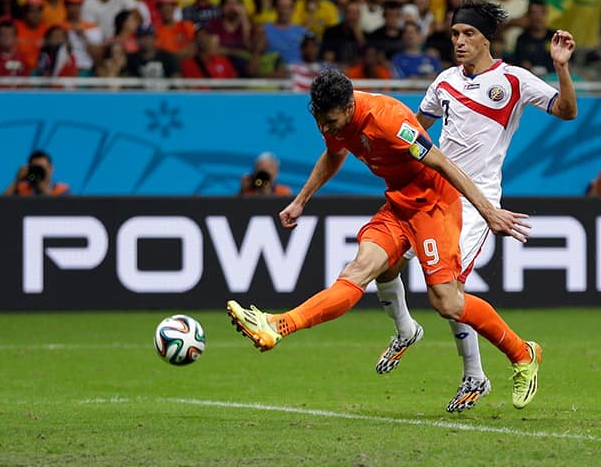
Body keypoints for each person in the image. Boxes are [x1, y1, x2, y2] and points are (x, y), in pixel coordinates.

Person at [227, 68, 544, 411]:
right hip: (398, 204)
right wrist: (301, 199)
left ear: (349, 107)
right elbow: (334, 155)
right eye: (319, 121)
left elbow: (442, 163)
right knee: (360, 270)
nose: (325, 128)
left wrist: (487, 211)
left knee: (448, 303)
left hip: (433, 206)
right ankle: (278, 324)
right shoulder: (333, 120)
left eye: (330, 120)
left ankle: (523, 353)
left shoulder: (389, 120)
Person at [369, 0, 577, 411]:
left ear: (487, 39)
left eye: (467, 35)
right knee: (384, 263)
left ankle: (479, 374)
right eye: (454, 35)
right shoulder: (443, 81)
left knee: (448, 296)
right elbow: (413, 132)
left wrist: (562, 66)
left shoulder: (514, 80)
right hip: (430, 192)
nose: (459, 42)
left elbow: (567, 112)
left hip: (473, 202)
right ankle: (405, 329)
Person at [3, 150, 70, 196]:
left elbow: (61, 211)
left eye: (41, 168)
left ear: (51, 169)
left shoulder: (62, 189)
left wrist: (43, 189)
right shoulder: (22, 188)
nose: (38, 172)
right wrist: (17, 180)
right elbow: (2, 204)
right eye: (35, 168)